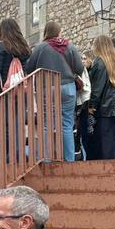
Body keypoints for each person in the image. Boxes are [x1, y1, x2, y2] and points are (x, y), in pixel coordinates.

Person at [24, 23, 84, 163]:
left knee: (46, 124)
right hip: (68, 87)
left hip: (47, 87)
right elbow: (80, 68)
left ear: (46, 32)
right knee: (67, 124)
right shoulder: (69, 46)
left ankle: (46, 159)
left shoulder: (40, 47)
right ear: (59, 32)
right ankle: (69, 160)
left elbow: (29, 67)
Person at [86, 36, 115, 161]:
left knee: (104, 139)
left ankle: (106, 169)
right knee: (112, 139)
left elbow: (98, 87)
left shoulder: (100, 61)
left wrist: (92, 105)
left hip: (104, 105)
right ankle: (114, 167)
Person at [0, 19, 31, 96]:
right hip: (22, 87)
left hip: (5, 90)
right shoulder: (24, 46)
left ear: (2, 31)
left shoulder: (0, 46)